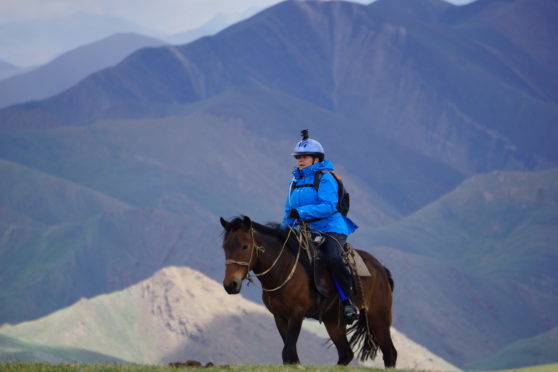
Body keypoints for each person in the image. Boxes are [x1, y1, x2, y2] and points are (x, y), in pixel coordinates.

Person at [281, 129, 360, 323]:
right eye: (298, 157)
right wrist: (282, 232)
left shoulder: (326, 178)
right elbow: (288, 211)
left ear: (316, 158)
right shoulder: (294, 182)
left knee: (333, 258)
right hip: (305, 231)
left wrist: (301, 213)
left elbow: (328, 206)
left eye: (305, 156)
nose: (300, 160)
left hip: (331, 228)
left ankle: (348, 302)